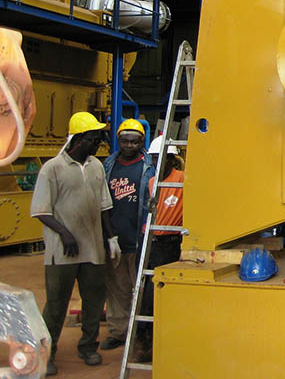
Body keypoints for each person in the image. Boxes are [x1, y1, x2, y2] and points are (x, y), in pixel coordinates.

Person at [30, 111, 121, 376]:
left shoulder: (96, 167)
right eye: (94, 138)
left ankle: (88, 346)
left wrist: (111, 238)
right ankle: (47, 354)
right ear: (79, 139)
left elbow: (104, 206)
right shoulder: (52, 169)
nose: (98, 143)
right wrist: (65, 233)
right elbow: (41, 210)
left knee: (94, 301)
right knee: (56, 305)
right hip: (62, 252)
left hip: (93, 249)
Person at [99, 119, 155, 351]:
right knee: (117, 289)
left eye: (134, 141)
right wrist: (108, 236)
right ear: (118, 141)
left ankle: (141, 335)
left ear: (142, 142)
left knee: (141, 289)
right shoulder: (108, 166)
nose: (129, 145)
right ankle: (118, 331)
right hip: (115, 239)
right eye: (125, 141)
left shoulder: (148, 167)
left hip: (138, 239)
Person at [134, 133, 185, 363]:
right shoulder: (152, 182)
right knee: (145, 293)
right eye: (154, 158)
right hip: (150, 241)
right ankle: (144, 340)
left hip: (169, 244)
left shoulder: (183, 179)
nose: (157, 162)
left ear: (171, 159)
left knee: (162, 293)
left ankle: (159, 341)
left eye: (161, 157)